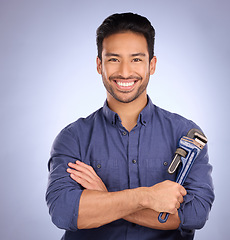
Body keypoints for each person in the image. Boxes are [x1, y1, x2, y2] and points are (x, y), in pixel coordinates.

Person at [46, 12, 214, 240]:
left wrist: (104, 197)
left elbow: (194, 214)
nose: (125, 72)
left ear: (151, 65)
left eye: (136, 59)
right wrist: (146, 197)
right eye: (114, 59)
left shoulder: (187, 134)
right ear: (99, 65)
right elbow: (64, 212)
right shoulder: (73, 138)